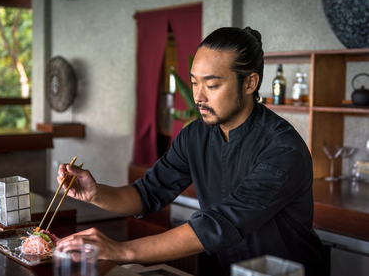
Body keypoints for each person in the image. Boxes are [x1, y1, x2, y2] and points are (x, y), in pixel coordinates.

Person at [56, 27, 328, 276]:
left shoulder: (282, 149)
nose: (198, 96)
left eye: (212, 85)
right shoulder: (196, 135)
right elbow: (147, 193)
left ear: (250, 83)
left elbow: (218, 225)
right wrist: (96, 193)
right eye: (195, 83)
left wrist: (122, 251)